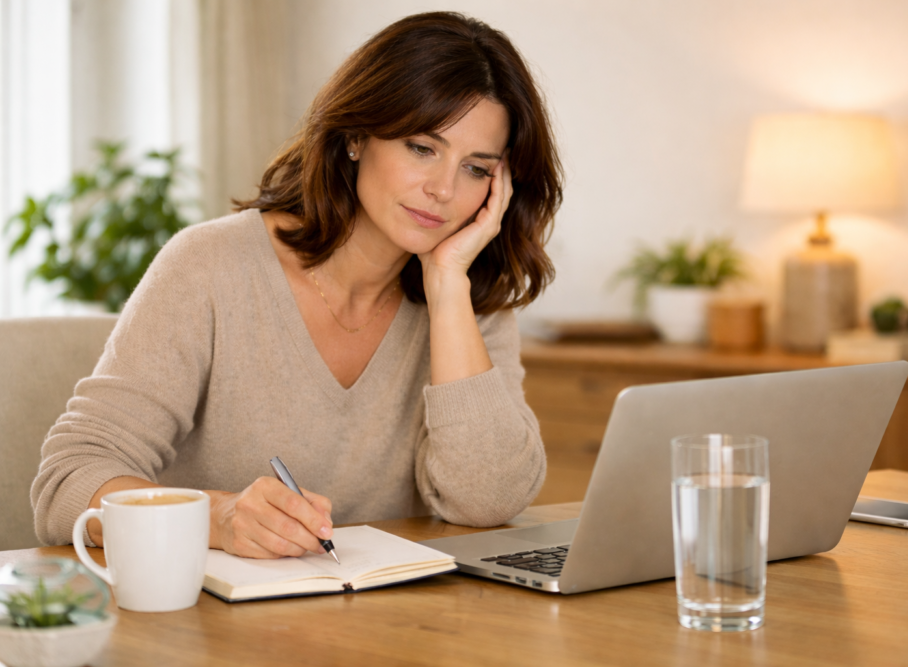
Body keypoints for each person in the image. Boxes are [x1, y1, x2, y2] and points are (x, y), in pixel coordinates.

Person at [31, 12, 563, 559]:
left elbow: (488, 502)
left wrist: (448, 286)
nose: (443, 189)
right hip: (203, 627)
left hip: (395, 627)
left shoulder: (472, 299)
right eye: (421, 148)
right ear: (357, 136)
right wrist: (214, 517)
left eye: (476, 169)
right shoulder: (210, 266)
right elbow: (69, 483)